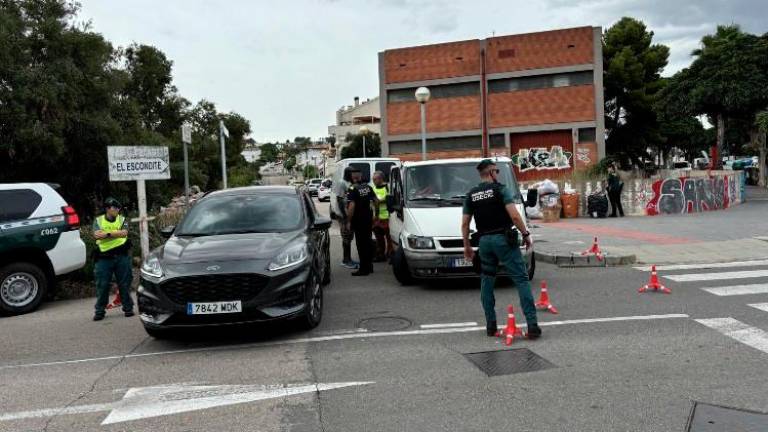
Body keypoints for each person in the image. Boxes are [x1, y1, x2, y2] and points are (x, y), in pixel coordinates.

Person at [461, 160, 541, 339]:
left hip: (484, 243)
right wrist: (526, 234)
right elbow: (514, 215)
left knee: (487, 281)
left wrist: (466, 245)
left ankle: (491, 325)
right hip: (503, 240)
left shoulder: (471, 195)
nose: (497, 174)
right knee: (521, 279)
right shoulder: (500, 190)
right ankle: (532, 325)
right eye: (496, 171)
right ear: (490, 172)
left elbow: (465, 223)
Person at [92, 197, 134, 321]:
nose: (117, 210)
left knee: (124, 283)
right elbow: (96, 235)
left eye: (118, 208)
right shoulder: (98, 220)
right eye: (114, 208)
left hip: (122, 256)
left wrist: (108, 234)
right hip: (104, 258)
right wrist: (116, 233)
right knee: (102, 285)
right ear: (107, 209)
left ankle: (128, 308)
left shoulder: (122, 219)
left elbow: (124, 233)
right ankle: (99, 311)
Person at [346, 167, 377, 276]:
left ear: (353, 178)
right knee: (368, 242)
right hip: (368, 219)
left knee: (361, 245)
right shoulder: (368, 187)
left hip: (358, 221)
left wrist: (349, 221)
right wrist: (375, 214)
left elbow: (351, 206)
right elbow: (376, 200)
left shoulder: (352, 189)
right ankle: (370, 266)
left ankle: (363, 269)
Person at [335, 167, 358, 269]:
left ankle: (349, 258)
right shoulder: (341, 183)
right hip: (343, 215)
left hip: (349, 214)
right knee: (346, 237)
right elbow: (339, 200)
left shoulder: (349, 183)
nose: (354, 175)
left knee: (349, 237)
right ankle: (345, 260)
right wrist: (345, 216)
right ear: (348, 173)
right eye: (352, 173)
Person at [371, 171, 393, 262]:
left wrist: (379, 201)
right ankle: (381, 255)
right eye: (373, 179)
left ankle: (391, 254)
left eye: (375, 179)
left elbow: (389, 199)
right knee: (379, 238)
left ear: (380, 179)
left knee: (389, 237)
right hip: (376, 218)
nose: (373, 181)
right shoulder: (373, 188)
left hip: (387, 217)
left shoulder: (388, 187)